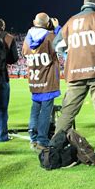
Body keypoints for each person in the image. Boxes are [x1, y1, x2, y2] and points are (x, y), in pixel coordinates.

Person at [53, 0, 95, 163]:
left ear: (84, 1)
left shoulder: (71, 22)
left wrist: (70, 56)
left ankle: (53, 150)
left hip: (74, 72)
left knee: (67, 113)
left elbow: (57, 45)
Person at [22, 12, 61, 151]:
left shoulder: (27, 38)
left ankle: (33, 138)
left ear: (34, 22)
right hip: (47, 81)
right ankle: (42, 140)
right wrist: (57, 28)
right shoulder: (50, 36)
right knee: (45, 111)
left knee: (35, 109)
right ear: (48, 23)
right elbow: (63, 43)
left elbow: (24, 53)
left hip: (34, 80)